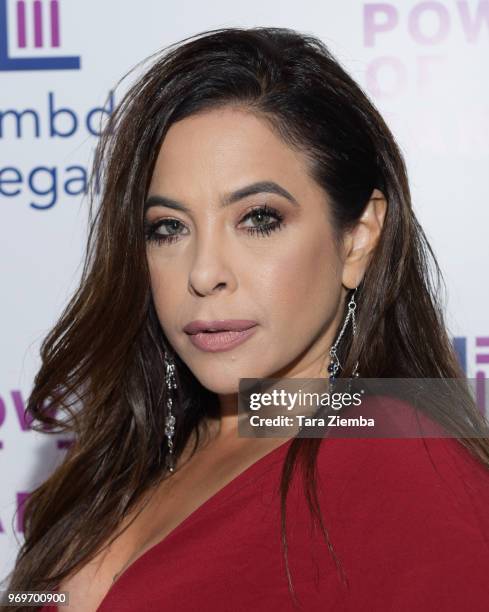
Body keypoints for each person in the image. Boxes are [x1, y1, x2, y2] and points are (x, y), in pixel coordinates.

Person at [3, 26, 489, 611]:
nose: (204, 272)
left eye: (259, 219)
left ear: (357, 239)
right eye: (169, 227)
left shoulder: (401, 458)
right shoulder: (125, 461)